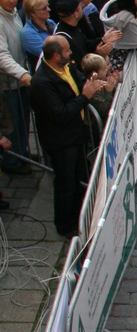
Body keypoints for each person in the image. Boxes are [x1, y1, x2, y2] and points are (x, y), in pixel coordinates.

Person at [27, 32, 105, 236]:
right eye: (67, 51)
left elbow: (78, 79)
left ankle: (81, 215)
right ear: (55, 55)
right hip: (60, 140)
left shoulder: (66, 66)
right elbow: (60, 113)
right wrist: (85, 96)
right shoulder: (42, 82)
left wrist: (90, 81)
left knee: (79, 176)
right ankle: (65, 226)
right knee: (65, 184)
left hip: (75, 133)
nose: (71, 53)